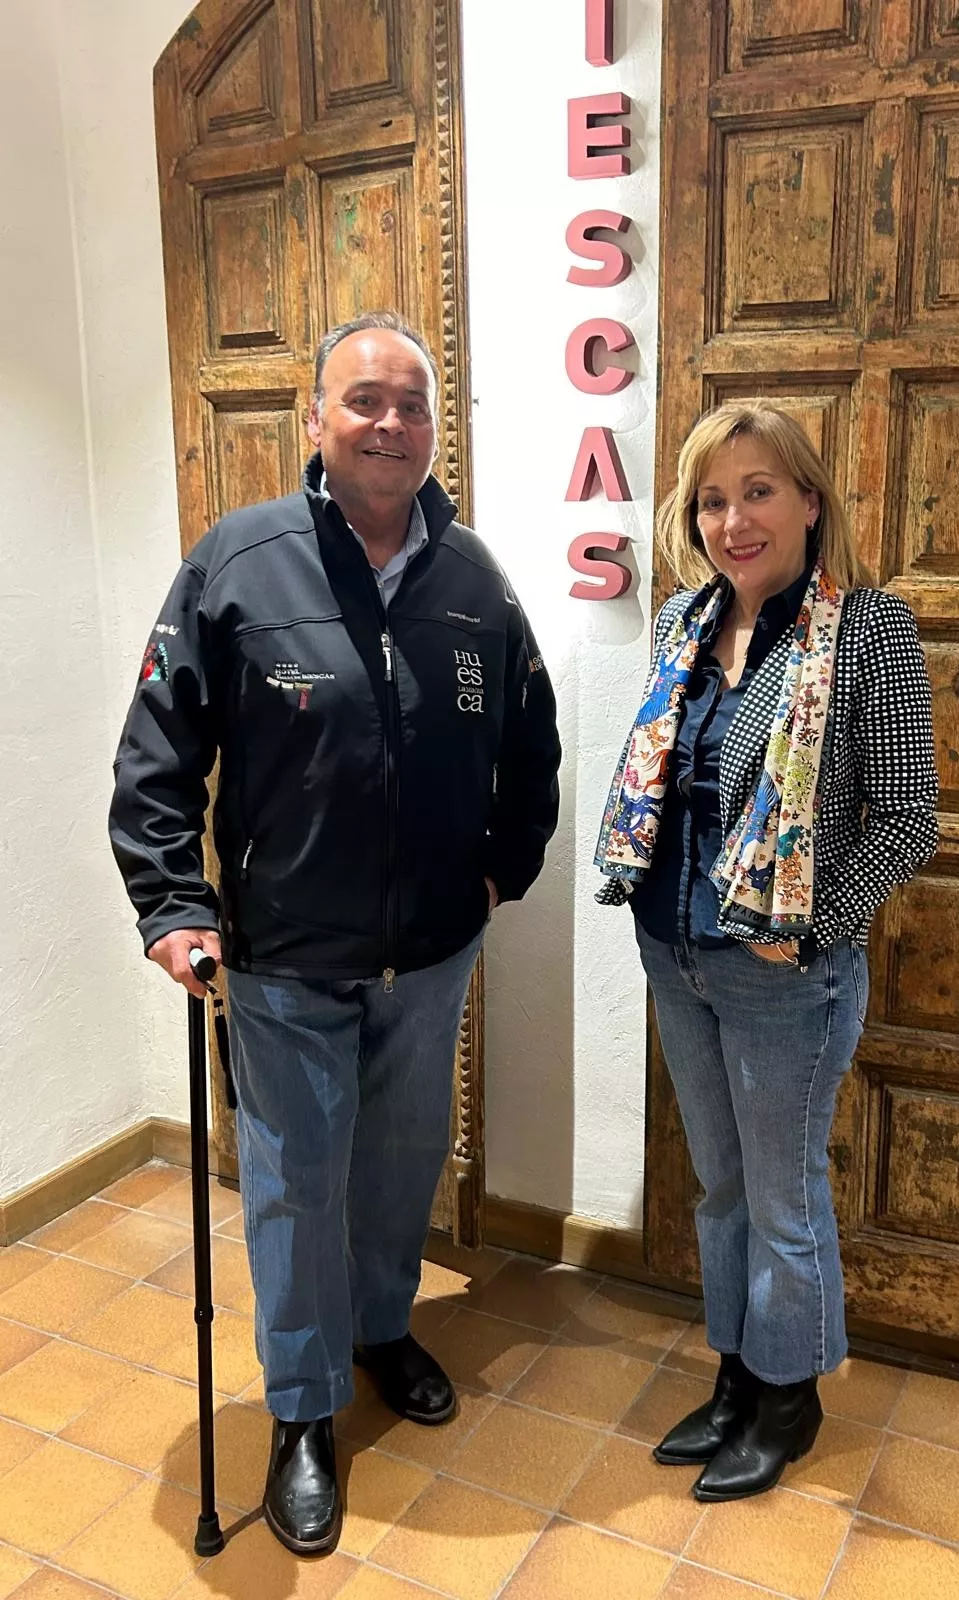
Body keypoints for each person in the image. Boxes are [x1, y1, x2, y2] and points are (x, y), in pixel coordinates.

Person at [110, 312, 561, 1555]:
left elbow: (532, 744)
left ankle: (379, 1326)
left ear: (434, 431)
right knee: (296, 1186)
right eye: (365, 400)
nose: (389, 423)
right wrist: (172, 902)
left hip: (431, 952)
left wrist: (499, 873)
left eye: (412, 405)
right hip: (286, 954)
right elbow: (156, 751)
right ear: (315, 419)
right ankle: (303, 1410)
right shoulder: (236, 563)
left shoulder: (475, 580)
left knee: (402, 1162)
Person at [596, 400, 937, 1502]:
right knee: (722, 1190)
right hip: (678, 951)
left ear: (809, 503)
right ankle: (738, 1374)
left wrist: (812, 926)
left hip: (785, 975)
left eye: (758, 492)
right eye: (712, 499)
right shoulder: (681, 624)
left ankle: (789, 1398)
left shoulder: (868, 632)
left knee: (783, 1198)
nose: (733, 520)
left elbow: (908, 820)